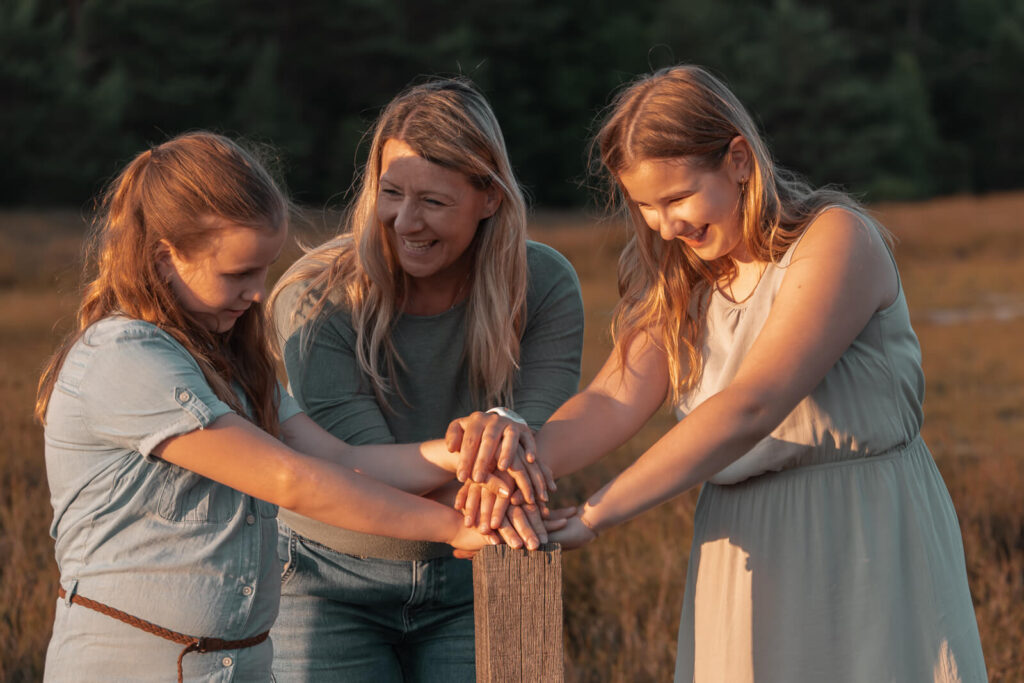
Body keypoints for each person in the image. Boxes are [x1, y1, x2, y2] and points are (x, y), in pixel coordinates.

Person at [462, 65, 987, 681]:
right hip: (742, 542)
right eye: (646, 207)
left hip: (866, 533)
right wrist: (514, 458)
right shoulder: (680, 280)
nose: (667, 225)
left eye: (679, 197)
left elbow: (752, 405)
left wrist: (597, 514)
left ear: (739, 159)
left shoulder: (836, 240)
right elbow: (610, 401)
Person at [36, 131, 520, 683]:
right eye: (238, 274)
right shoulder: (123, 357)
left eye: (263, 271)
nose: (260, 293)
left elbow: (339, 460)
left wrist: (461, 456)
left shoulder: (231, 366)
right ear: (164, 258)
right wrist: (455, 527)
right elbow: (293, 482)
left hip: (240, 666)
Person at [268, 77, 584, 682]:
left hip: (485, 571)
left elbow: (542, 437)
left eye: (434, 202)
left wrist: (514, 451)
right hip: (329, 578)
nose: (405, 221)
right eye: (391, 193)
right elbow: (357, 463)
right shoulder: (315, 295)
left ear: (488, 197)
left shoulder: (545, 284)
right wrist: (499, 488)